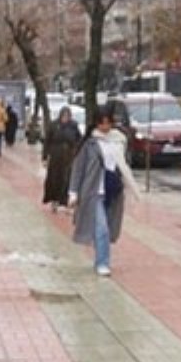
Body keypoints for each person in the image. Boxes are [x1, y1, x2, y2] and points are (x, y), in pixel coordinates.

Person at [68, 103, 140, 276]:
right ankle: (102, 263)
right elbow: (78, 168)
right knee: (102, 228)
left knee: (107, 227)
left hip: (112, 191)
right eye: (101, 123)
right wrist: (73, 192)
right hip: (93, 192)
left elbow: (125, 165)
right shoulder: (90, 144)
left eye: (108, 123)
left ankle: (99, 256)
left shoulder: (119, 140)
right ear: (96, 123)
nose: (105, 127)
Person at [41, 107, 80, 211]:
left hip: (69, 157)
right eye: (64, 116)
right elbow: (47, 141)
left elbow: (79, 139)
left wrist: (76, 150)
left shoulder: (73, 125)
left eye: (67, 116)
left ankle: (65, 201)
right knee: (54, 179)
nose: (65, 118)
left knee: (67, 178)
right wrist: (45, 157)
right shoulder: (54, 125)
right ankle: (54, 200)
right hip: (55, 156)